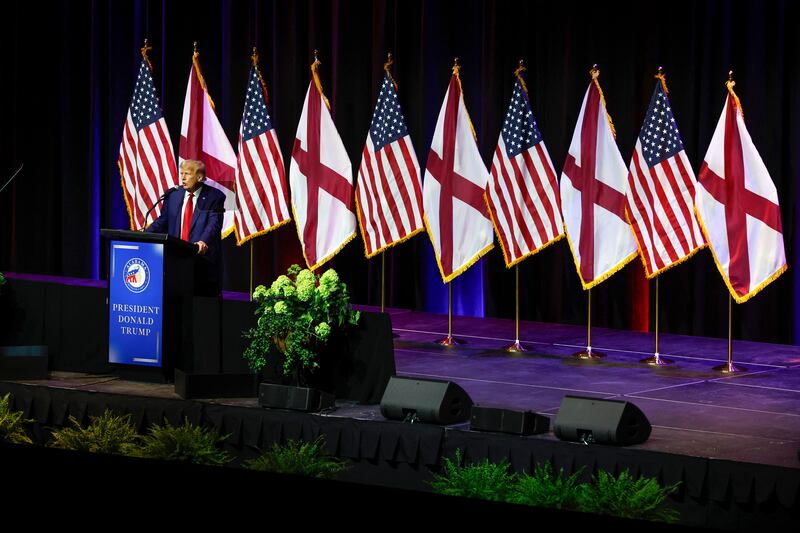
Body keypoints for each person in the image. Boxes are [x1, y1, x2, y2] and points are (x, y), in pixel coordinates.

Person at [147, 159, 225, 295]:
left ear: (199, 177)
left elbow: (214, 225)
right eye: (181, 173)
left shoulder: (215, 197)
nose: (182, 178)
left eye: (187, 174)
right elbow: (163, 220)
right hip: (175, 261)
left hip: (201, 262)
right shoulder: (173, 195)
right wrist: (145, 234)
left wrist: (203, 241)